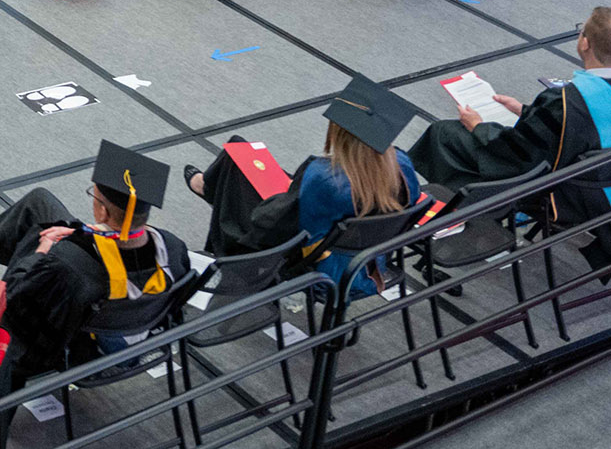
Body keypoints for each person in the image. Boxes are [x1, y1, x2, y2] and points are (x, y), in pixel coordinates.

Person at [410, 6, 611, 269]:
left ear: (585, 43)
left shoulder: (565, 100)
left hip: (555, 192)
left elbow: (515, 153)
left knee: (445, 134)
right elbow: (593, 131)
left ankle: (455, 217)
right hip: (604, 182)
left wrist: (478, 126)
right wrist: (525, 111)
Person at [0, 141, 195, 378]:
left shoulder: (66, 265)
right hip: (134, 333)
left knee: (40, 236)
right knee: (41, 203)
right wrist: (85, 233)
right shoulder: (172, 248)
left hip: (73, 349)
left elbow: (14, 299)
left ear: (102, 211)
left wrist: (42, 251)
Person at [183, 76, 428, 294]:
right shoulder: (402, 165)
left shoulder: (324, 177)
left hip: (315, 263)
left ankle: (208, 187)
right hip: (368, 259)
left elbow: (274, 226)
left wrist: (283, 197)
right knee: (245, 163)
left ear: (338, 133)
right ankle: (208, 186)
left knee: (236, 164)